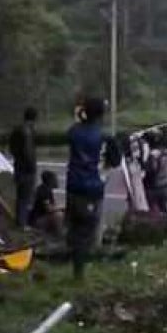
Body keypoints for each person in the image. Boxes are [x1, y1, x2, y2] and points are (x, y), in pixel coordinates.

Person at [65, 98, 119, 280]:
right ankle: (79, 273)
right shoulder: (105, 138)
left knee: (75, 228)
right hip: (92, 189)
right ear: (101, 115)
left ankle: (76, 266)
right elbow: (116, 160)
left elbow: (76, 125)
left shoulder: (74, 132)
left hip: (72, 187)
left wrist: (81, 114)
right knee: (86, 232)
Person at [8, 107, 38, 228]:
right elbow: (28, 151)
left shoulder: (17, 129)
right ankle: (22, 223)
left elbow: (12, 148)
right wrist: (32, 166)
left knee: (20, 196)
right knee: (25, 197)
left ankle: (19, 220)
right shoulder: (27, 132)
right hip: (26, 169)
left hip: (18, 165)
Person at [145, 135, 167, 217]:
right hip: (166, 183)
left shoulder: (154, 154)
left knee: (153, 208)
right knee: (166, 208)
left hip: (155, 184)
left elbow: (152, 169)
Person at [27, 170, 63, 236]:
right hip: (37, 220)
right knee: (58, 215)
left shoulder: (45, 189)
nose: (57, 181)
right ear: (50, 181)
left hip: (40, 217)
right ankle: (58, 235)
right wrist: (62, 207)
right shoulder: (44, 191)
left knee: (59, 213)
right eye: (55, 179)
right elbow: (49, 209)